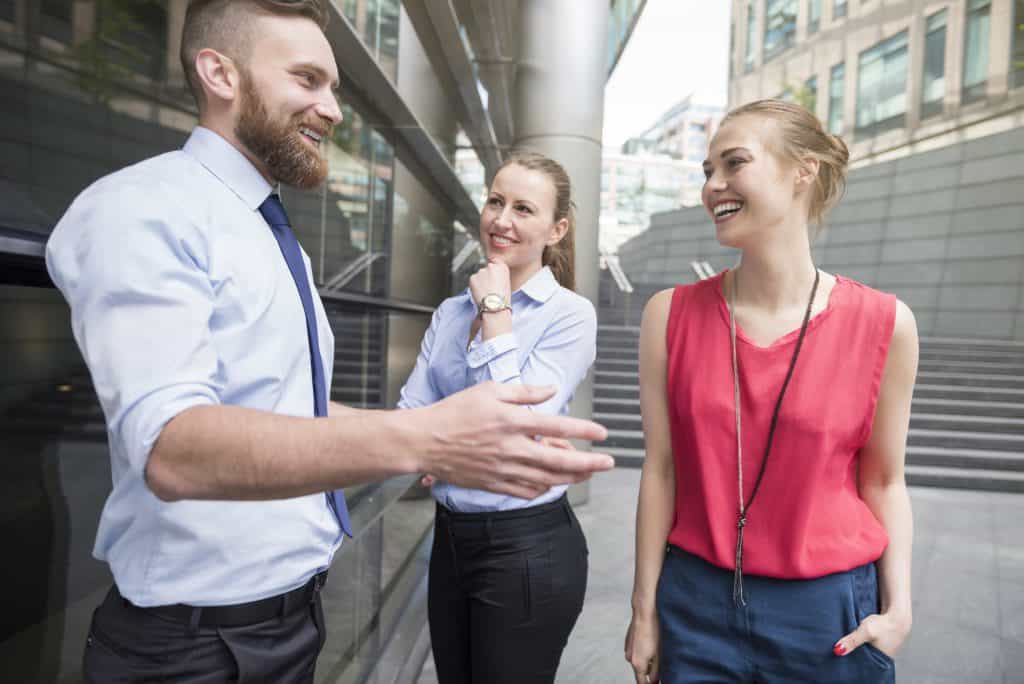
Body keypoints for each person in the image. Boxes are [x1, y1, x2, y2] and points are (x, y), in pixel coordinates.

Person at [44, 1, 612, 681]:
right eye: (308, 80)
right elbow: (171, 445)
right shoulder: (144, 207)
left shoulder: (265, 230)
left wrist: (431, 431)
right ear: (219, 73)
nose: (334, 109)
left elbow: (292, 409)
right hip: (196, 649)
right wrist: (426, 438)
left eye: (334, 87)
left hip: (290, 619)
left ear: (556, 230)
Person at [624, 99, 917, 684]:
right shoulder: (669, 316)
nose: (714, 185)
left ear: (802, 171)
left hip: (828, 616)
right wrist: (643, 611)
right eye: (708, 170)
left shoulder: (885, 323)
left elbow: (883, 479)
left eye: (734, 164)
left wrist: (900, 608)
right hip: (695, 603)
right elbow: (661, 471)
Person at [397, 152, 594, 683]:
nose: (502, 220)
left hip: (526, 549)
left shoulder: (570, 316)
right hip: (451, 541)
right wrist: (433, 445)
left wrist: (495, 313)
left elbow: (518, 426)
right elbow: (411, 415)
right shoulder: (448, 311)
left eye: (523, 209)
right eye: (496, 201)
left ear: (557, 229)